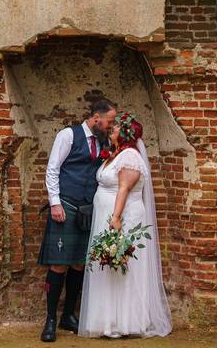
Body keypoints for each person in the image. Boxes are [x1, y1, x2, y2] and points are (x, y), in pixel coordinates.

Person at [79, 112, 172, 338]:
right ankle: (107, 320)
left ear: (128, 133)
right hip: (109, 216)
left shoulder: (130, 155)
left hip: (124, 218)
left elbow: (123, 189)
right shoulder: (115, 154)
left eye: (118, 126)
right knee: (108, 267)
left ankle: (127, 322)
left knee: (122, 267)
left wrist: (116, 218)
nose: (113, 128)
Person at [38, 98, 117, 342]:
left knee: (80, 264)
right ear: (96, 118)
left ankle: (68, 316)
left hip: (88, 208)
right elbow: (53, 169)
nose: (110, 126)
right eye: (109, 121)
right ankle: (50, 319)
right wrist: (55, 203)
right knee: (59, 264)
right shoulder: (68, 135)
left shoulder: (103, 140)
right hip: (67, 206)